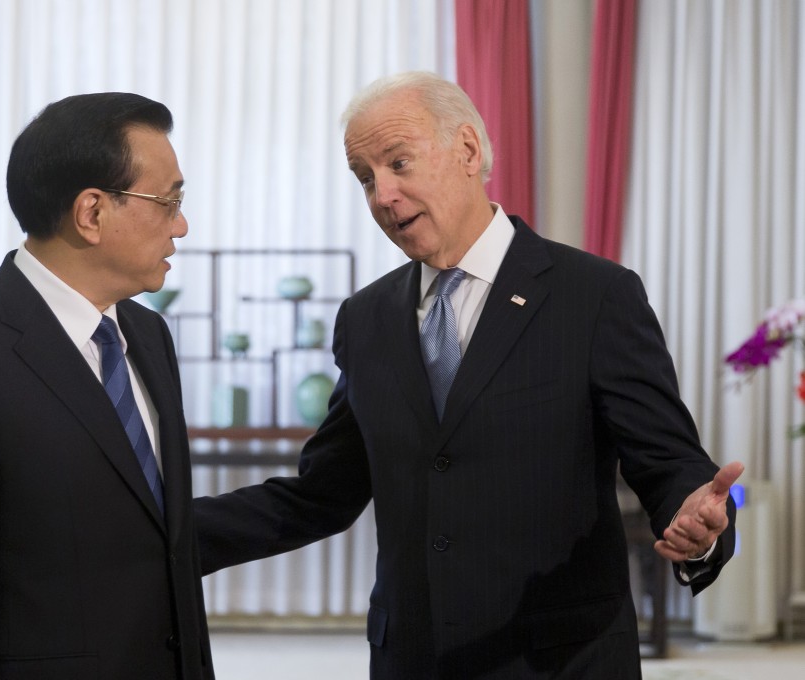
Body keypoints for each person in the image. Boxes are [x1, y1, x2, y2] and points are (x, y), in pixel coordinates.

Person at [194, 72, 743, 679]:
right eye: (365, 178)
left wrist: (696, 524)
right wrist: (161, 535)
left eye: (398, 163)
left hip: (559, 660)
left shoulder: (595, 296)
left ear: (469, 151)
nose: (382, 195)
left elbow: (668, 463)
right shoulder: (366, 318)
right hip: (413, 659)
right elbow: (324, 493)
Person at [0, 93, 214, 680]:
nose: (181, 224)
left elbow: (151, 529)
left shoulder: (146, 333)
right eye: (169, 201)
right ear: (92, 213)